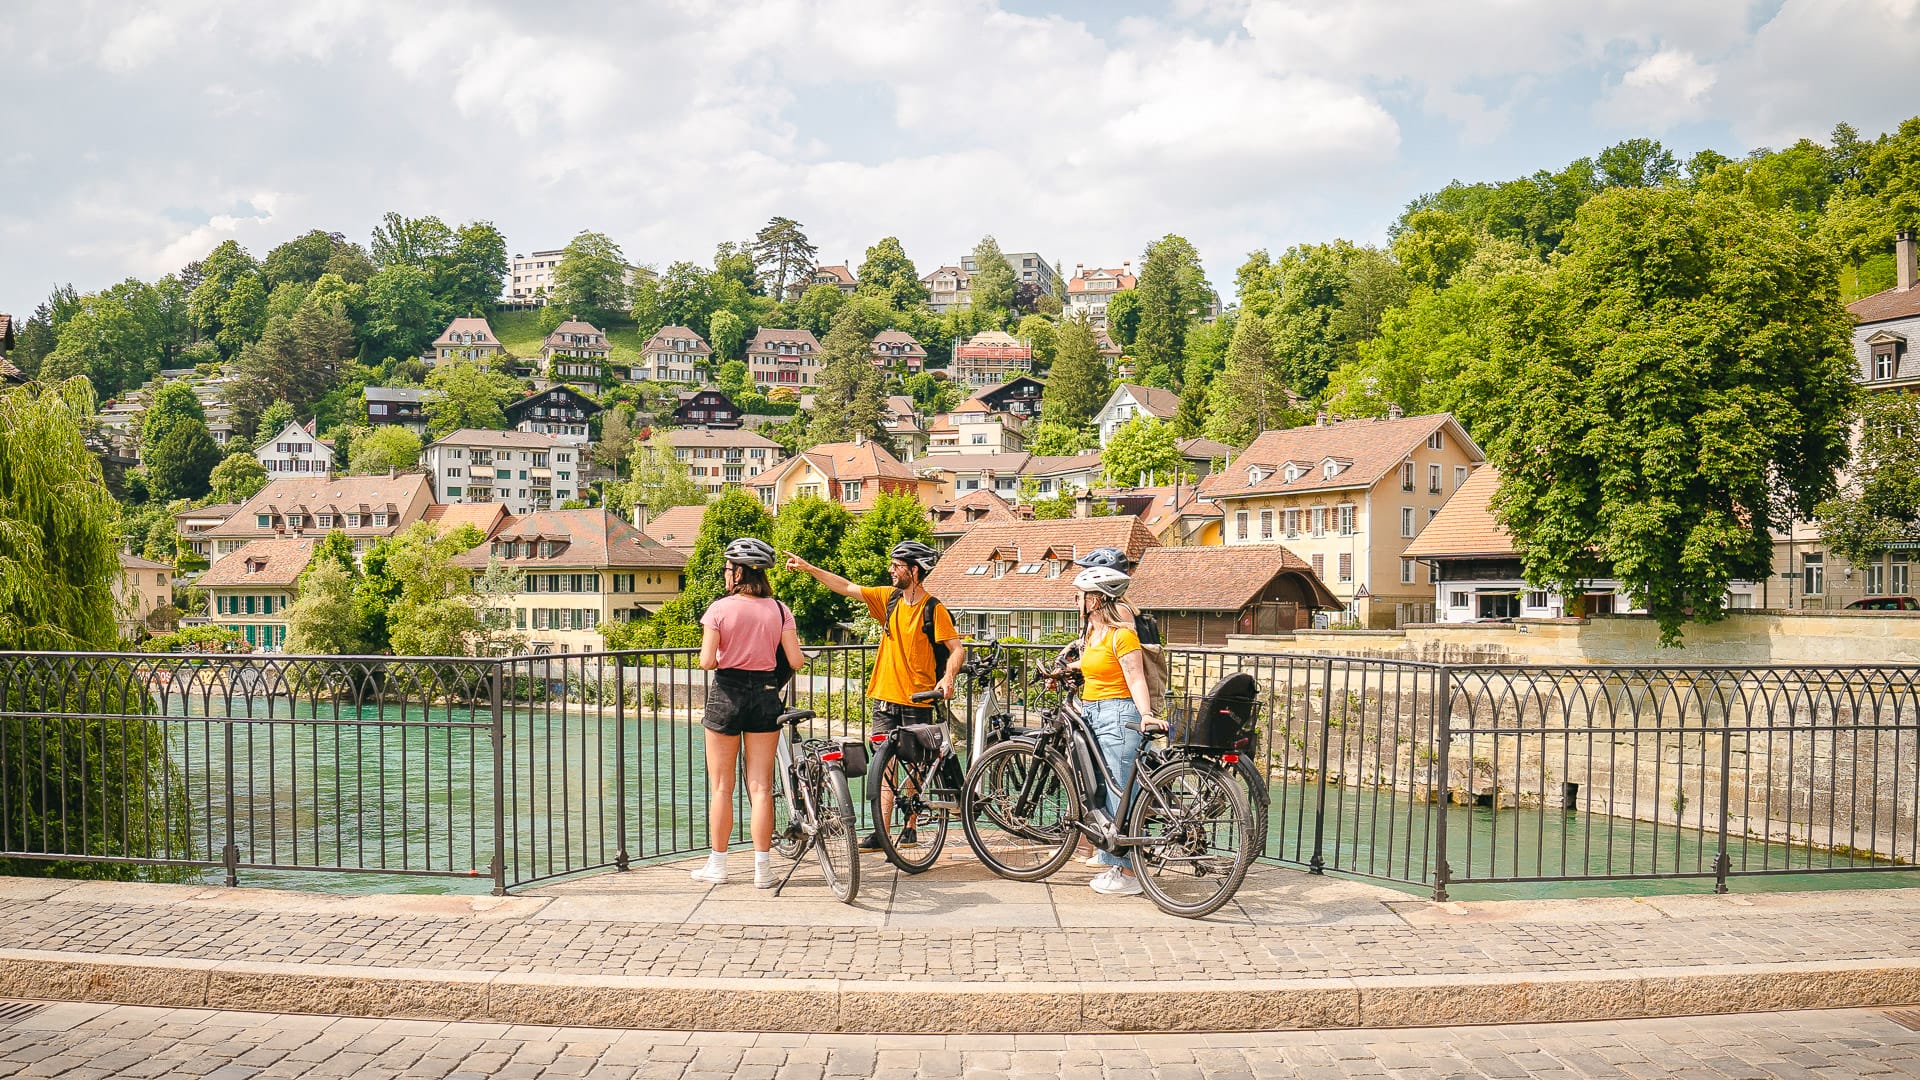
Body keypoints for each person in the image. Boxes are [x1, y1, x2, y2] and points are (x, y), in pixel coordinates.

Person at [785, 539, 965, 850]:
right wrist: (809, 568)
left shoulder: (933, 609)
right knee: (884, 766)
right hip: (884, 695)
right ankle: (882, 832)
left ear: (914, 570)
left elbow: (956, 649)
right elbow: (846, 587)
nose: (891, 570)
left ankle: (909, 825)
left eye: (897, 566)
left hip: (917, 698)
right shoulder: (888, 598)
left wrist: (948, 677)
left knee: (915, 766)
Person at [692, 538, 807, 889]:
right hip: (766, 695)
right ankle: (763, 870)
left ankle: (719, 865)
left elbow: (707, 661)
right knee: (761, 787)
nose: (725, 573)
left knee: (722, 787)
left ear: (738, 572)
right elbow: (797, 660)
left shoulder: (720, 609)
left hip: (727, 695)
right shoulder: (779, 610)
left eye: (728, 568)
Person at [1069, 565, 1161, 897]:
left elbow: (1135, 676)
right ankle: (1112, 863)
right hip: (1093, 712)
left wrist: (1146, 714)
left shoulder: (1122, 634)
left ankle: (1128, 872)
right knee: (1103, 791)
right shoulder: (1096, 633)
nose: (1075, 600)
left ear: (1095, 599)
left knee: (1121, 792)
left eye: (1079, 595)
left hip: (1118, 714)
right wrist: (1067, 668)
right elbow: (1094, 664)